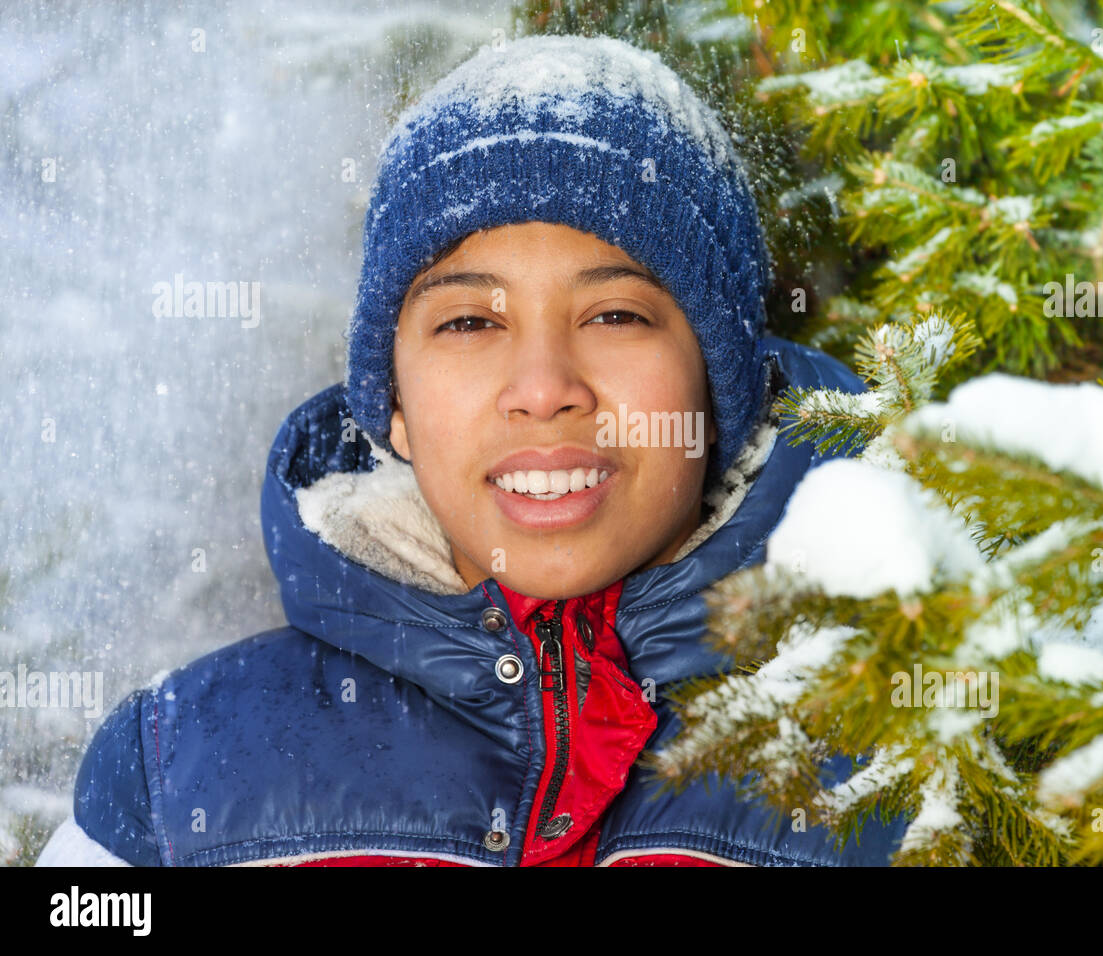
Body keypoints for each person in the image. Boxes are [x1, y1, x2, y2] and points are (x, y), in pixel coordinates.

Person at [36, 33, 907, 866]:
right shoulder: (178, 776)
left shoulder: (915, 763)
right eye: (468, 321)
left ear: (718, 391)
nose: (542, 385)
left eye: (614, 315)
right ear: (396, 408)